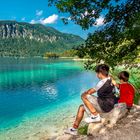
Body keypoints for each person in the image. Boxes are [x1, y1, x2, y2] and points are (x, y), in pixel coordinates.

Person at [65, 64, 116, 135]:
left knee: (83, 96)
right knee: (81, 107)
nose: (96, 75)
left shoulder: (102, 82)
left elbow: (91, 91)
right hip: (109, 103)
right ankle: (74, 129)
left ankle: (95, 116)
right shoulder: (110, 79)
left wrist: (85, 92)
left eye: (97, 73)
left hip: (105, 106)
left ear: (100, 73)